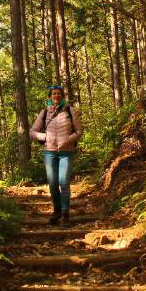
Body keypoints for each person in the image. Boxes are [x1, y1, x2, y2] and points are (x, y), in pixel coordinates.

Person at [30, 85, 83, 226]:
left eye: (59, 93)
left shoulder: (69, 110)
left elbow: (79, 131)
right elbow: (32, 132)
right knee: (53, 184)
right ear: (50, 96)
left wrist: (68, 139)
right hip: (49, 153)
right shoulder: (44, 112)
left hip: (66, 152)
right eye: (53, 94)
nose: (56, 96)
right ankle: (57, 211)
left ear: (62, 96)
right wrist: (44, 136)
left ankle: (65, 214)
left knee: (64, 182)